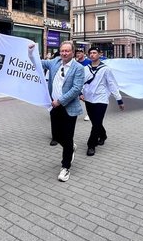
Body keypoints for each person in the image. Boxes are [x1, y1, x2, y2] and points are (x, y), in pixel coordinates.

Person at [38, 40, 85, 182]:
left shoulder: (78, 68)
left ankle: (65, 167)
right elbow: (38, 62)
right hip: (54, 107)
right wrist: (30, 51)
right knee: (57, 136)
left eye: (67, 51)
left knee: (68, 136)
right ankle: (70, 147)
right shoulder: (55, 62)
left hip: (68, 108)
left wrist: (59, 101)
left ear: (73, 52)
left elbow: (76, 89)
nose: (64, 53)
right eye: (62, 50)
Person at [81, 47, 125, 156]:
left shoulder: (106, 69)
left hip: (101, 99)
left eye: (94, 53)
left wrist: (119, 100)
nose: (92, 55)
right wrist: (80, 93)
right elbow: (81, 82)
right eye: (90, 53)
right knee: (95, 121)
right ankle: (103, 135)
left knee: (96, 123)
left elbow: (112, 84)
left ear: (99, 54)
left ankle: (91, 145)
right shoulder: (85, 68)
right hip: (88, 99)